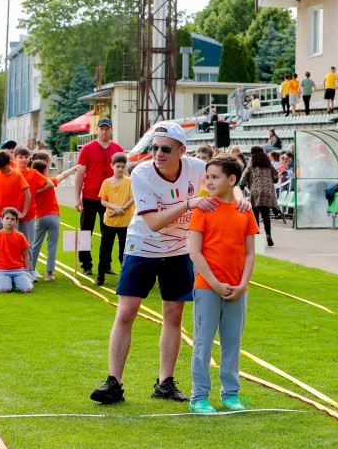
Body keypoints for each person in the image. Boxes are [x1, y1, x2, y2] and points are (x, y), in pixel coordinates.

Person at [89, 121, 249, 405]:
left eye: (165, 149)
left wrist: (240, 198)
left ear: (181, 151)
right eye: (154, 147)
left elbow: (226, 177)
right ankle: (114, 381)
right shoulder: (141, 173)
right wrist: (189, 204)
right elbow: (153, 223)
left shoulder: (197, 167)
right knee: (126, 312)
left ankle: (165, 382)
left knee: (173, 315)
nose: (158, 153)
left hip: (177, 251)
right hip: (142, 247)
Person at [187, 154, 258, 413]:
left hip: (238, 290)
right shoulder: (202, 209)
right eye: (208, 176)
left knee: (232, 343)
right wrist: (215, 283)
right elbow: (195, 252)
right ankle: (199, 397)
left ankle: (230, 395)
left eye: (215, 177)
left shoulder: (244, 211)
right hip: (207, 288)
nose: (209, 181)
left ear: (232, 180)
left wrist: (242, 285)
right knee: (203, 343)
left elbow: (250, 253)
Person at [74, 118, 124, 275]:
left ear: (111, 130)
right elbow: (80, 173)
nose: (104, 131)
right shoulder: (87, 148)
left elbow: (124, 173)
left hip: (110, 199)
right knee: (85, 232)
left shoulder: (117, 148)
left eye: (107, 129)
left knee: (108, 233)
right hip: (89, 196)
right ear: (96, 130)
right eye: (101, 128)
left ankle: (106, 264)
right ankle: (85, 264)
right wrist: (77, 198)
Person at [30, 160, 79, 282]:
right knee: (52, 245)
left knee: (35, 245)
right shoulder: (49, 182)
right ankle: (49, 274)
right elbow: (62, 175)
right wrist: (73, 168)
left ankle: (30, 269)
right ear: (45, 171)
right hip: (53, 216)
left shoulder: (33, 187)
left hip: (40, 217)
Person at [15, 145, 52, 281]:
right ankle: (16, 269)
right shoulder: (13, 173)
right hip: (15, 214)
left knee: (28, 243)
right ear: (15, 158)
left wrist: (35, 192)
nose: (24, 160)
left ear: (29, 159)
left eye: (26, 157)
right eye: (21, 157)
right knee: (15, 242)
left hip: (29, 213)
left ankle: (29, 269)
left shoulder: (33, 173)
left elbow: (49, 184)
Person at [96, 153, 135, 286]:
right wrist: (114, 207)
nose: (120, 169)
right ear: (112, 166)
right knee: (105, 250)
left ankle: (126, 277)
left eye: (123, 167)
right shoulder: (106, 183)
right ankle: (100, 276)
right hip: (110, 221)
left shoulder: (129, 182)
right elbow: (103, 200)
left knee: (124, 251)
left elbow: (133, 198)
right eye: (117, 166)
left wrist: (121, 209)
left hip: (125, 222)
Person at [240, 146, 280, 246]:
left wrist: (242, 186)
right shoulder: (268, 165)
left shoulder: (251, 165)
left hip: (256, 192)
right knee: (266, 215)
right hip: (267, 192)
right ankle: (268, 235)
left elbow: (243, 178)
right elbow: (276, 177)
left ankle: (258, 240)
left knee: (256, 217)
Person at [0, 208, 33, 293]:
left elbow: (25, 254)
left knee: (27, 290)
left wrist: (27, 270)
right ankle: (5, 281)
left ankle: (18, 280)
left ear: (16, 222)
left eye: (12, 219)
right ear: (1, 220)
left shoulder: (20, 236)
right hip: (2, 270)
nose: (9, 221)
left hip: (19, 270)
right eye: (7, 218)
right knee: (3, 290)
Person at [0, 150, 31, 233]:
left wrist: (24, 212)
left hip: (12, 215)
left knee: (12, 242)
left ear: (9, 163)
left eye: (3, 168)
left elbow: (28, 194)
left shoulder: (17, 175)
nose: (0, 171)